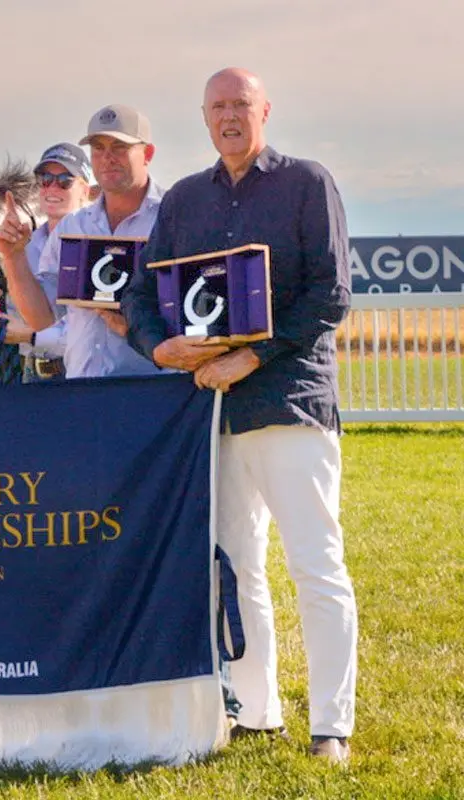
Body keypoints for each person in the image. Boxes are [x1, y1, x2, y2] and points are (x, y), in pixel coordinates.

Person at [121, 67, 356, 764]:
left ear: (264, 112)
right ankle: (256, 711)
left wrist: (254, 359)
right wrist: (156, 345)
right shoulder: (186, 199)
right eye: (218, 106)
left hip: (288, 404)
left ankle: (331, 725)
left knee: (316, 564)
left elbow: (331, 292)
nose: (230, 117)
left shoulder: (307, 183)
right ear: (204, 116)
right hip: (211, 414)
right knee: (234, 566)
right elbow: (142, 291)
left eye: (241, 105)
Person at [0, 105, 168, 378]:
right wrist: (14, 257)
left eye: (119, 147)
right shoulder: (73, 227)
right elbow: (43, 318)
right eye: (98, 148)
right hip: (82, 392)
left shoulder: (175, 217)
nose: (107, 158)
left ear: (147, 154)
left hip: (153, 392)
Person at [0, 142, 96, 380]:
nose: (53, 187)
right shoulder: (24, 247)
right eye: (45, 179)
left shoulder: (98, 246)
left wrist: (28, 334)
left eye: (64, 180)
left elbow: (93, 330)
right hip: (31, 372)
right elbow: (11, 318)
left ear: (86, 190)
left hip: (78, 373)